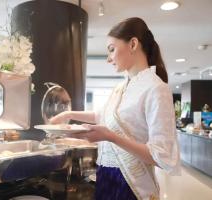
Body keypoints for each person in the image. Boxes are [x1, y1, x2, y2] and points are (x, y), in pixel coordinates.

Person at [50, 17, 181, 200]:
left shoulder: (156, 88)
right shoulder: (121, 87)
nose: (108, 58)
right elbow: (101, 116)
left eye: (112, 49)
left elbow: (160, 155)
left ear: (133, 44)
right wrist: (69, 114)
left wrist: (110, 136)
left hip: (131, 184)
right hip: (106, 174)